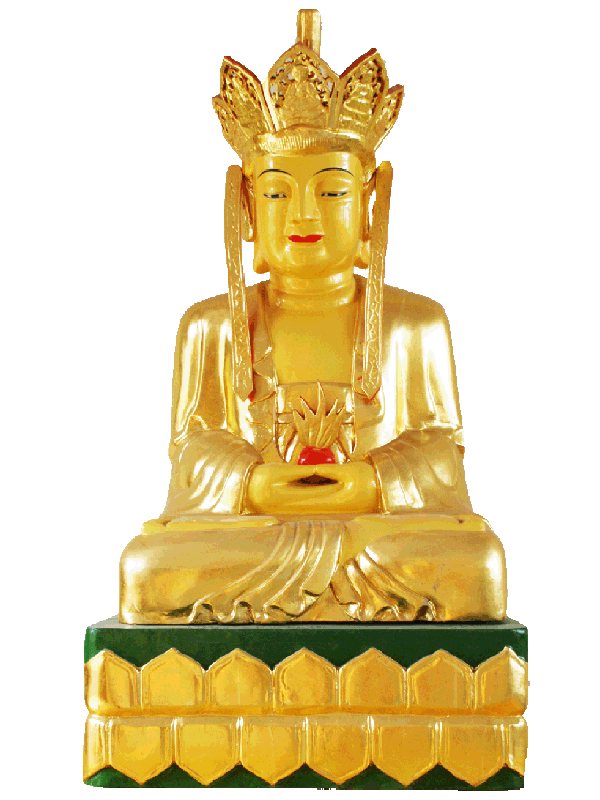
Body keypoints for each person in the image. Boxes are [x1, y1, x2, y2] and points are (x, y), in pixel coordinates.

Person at [120, 12, 506, 625]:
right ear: (246, 205)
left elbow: (441, 452)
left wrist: (371, 484)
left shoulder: (416, 323)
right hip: (254, 532)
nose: (304, 213)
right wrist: (253, 486)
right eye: (278, 192)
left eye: (331, 192)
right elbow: (192, 450)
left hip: (376, 536)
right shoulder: (209, 327)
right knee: (150, 568)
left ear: (369, 203)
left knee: (474, 563)